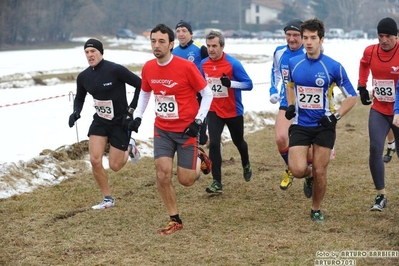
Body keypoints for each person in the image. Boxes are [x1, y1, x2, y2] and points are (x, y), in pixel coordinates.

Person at [131, 23, 213, 235]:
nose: (156, 45)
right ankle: (174, 218)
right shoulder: (148, 67)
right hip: (162, 130)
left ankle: (200, 158)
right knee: (162, 174)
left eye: (161, 41)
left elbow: (207, 94)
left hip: (187, 130)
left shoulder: (186, 67)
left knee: (186, 180)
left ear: (171, 44)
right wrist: (138, 116)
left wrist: (198, 121)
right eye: (153, 41)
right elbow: (145, 92)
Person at [285, 18, 357, 222]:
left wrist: (334, 118)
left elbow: (352, 97)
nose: (308, 42)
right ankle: (308, 177)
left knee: (320, 169)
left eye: (313, 38)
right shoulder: (294, 62)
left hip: (324, 125)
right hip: (301, 123)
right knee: (297, 169)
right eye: (305, 37)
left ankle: (316, 208)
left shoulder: (333, 67)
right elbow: (290, 85)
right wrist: (291, 105)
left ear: (321, 39)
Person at [68, 38, 142, 210]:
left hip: (119, 122)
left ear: (101, 52)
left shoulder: (115, 70)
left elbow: (140, 85)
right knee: (94, 160)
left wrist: (131, 111)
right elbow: (79, 98)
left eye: (93, 51)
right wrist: (76, 112)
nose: (90, 55)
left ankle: (130, 147)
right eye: (87, 52)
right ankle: (107, 198)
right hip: (100, 120)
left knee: (115, 166)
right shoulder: (84, 76)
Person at [199, 30, 253, 194]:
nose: (211, 49)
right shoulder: (203, 64)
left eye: (214, 46)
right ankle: (217, 182)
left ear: (222, 46)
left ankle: (246, 162)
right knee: (214, 143)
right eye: (208, 46)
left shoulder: (233, 64)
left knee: (239, 142)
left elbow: (248, 84)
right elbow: (199, 84)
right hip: (214, 110)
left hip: (233, 111)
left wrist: (231, 84)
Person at [358, 17, 399, 211]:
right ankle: (381, 195)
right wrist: (361, 85)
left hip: (398, 112)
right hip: (379, 110)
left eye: (388, 36)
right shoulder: (370, 51)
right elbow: (364, 64)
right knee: (375, 148)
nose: (384, 40)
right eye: (380, 35)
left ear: (396, 36)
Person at [269, 18, 312, 193]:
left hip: (307, 105)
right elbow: (275, 72)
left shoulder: (309, 52)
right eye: (288, 35)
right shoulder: (279, 52)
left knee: (308, 148)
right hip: (287, 102)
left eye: (296, 35)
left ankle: (309, 175)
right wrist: (273, 89)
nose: (292, 39)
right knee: (280, 138)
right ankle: (291, 168)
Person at [172, 19, 209, 145]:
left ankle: (210, 141)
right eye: (178, 31)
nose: (181, 34)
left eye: (184, 31)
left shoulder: (200, 48)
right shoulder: (173, 51)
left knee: (202, 137)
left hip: (199, 91)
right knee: (187, 126)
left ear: (191, 34)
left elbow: (209, 67)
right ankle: (194, 154)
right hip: (182, 94)